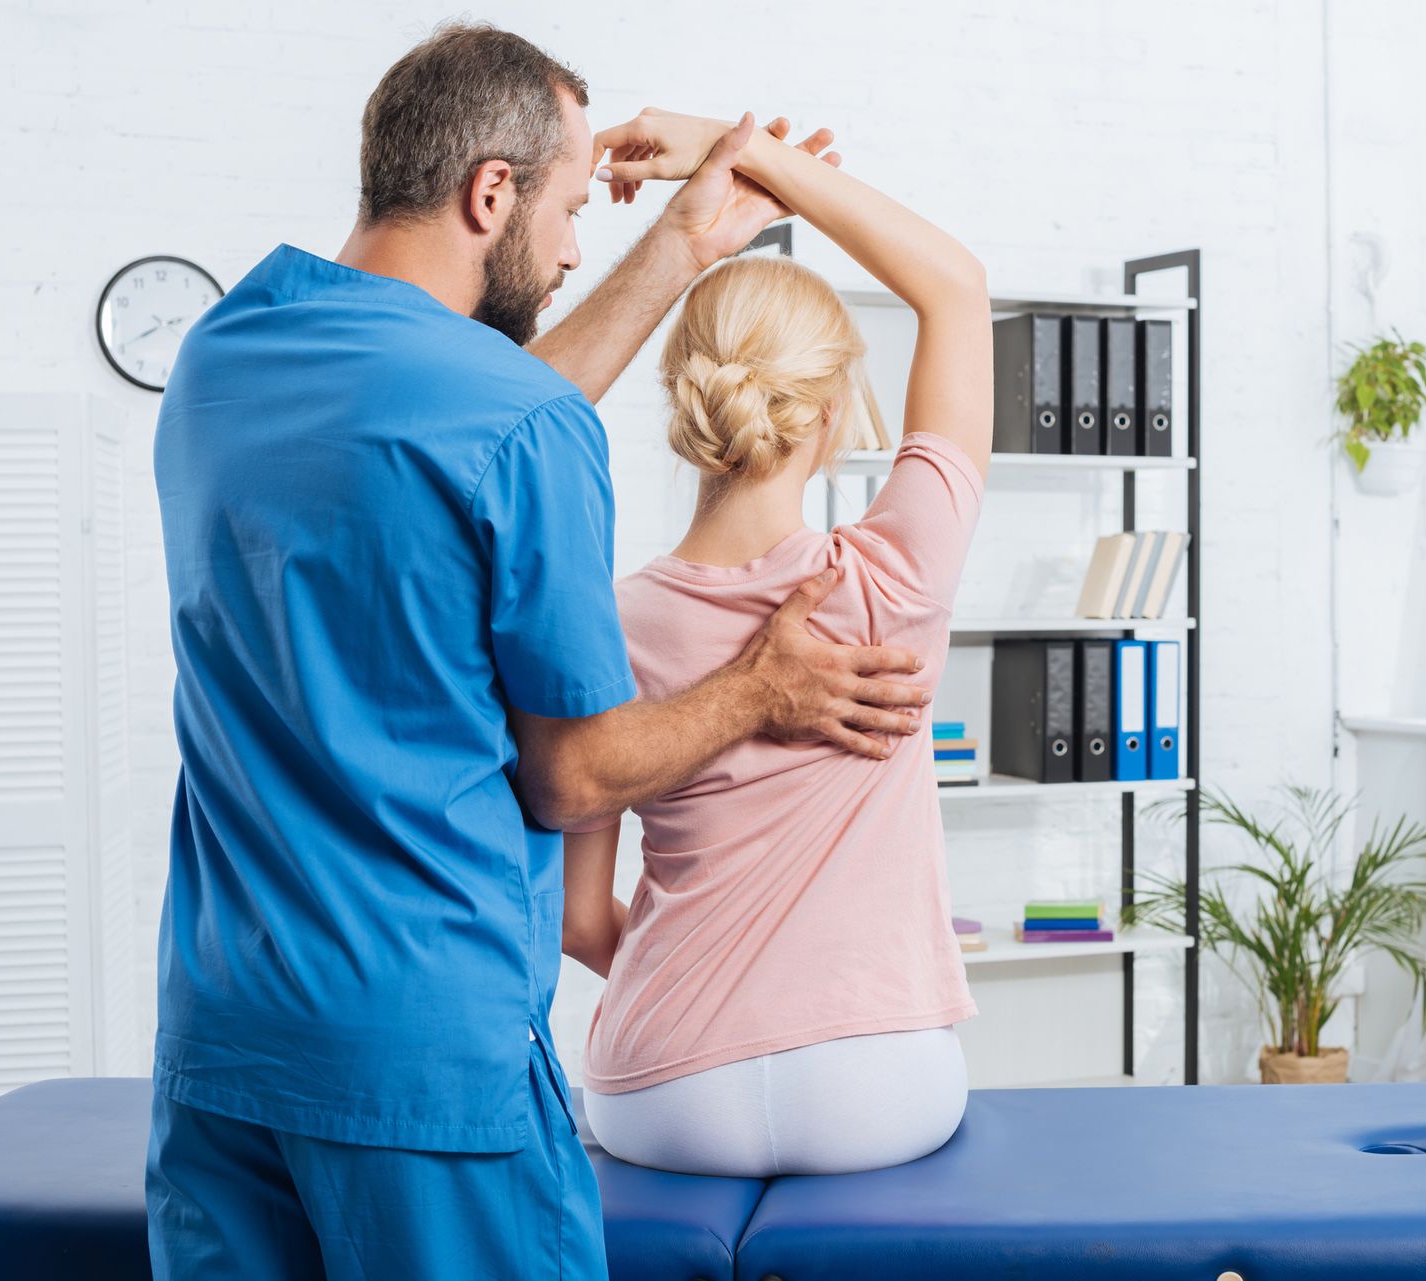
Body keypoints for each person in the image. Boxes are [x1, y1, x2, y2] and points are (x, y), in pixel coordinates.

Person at [145, 25, 932, 1280]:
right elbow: (573, 777)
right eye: (569, 210)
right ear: (490, 192)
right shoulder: (517, 429)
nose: (575, 248)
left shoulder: (224, 357)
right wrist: (762, 687)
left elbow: (462, 419)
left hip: (226, 1045)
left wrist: (678, 247)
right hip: (424, 1065)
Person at [552, 109, 994, 1177]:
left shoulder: (599, 616)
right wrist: (741, 148)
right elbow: (955, 287)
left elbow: (577, 919)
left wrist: (703, 1002)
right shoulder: (895, 578)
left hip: (659, 1088)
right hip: (877, 1084)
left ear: (683, 398)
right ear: (836, 412)